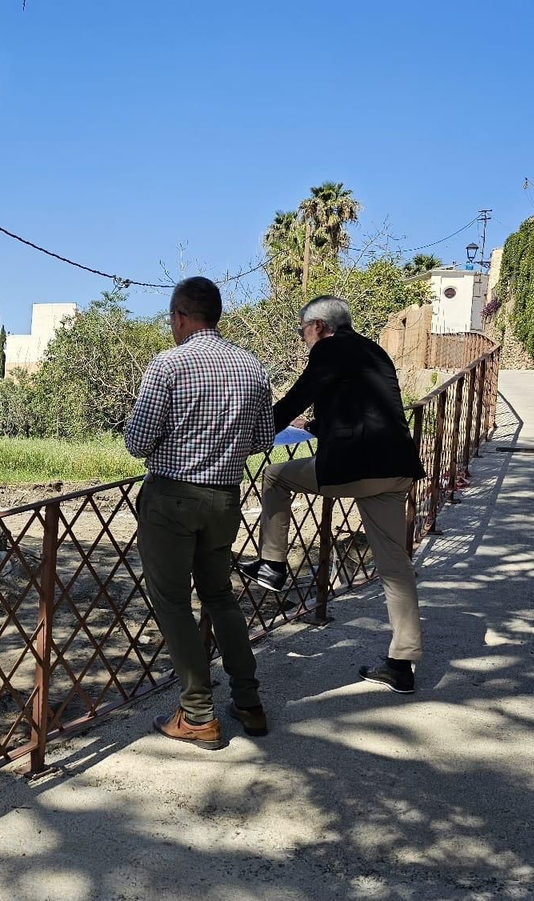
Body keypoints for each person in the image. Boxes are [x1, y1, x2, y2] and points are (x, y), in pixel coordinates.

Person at [237, 296, 427, 694]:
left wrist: (249, 438)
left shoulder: (329, 349)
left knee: (274, 476)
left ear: (319, 326)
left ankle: (272, 564)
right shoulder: (374, 351)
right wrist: (315, 425)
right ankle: (402, 664)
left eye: (302, 330)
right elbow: (362, 410)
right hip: (397, 468)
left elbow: (294, 399)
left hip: (355, 468)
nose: (303, 338)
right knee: (395, 566)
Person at [124, 276, 275, 750]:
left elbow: (137, 442)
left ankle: (198, 715)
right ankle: (248, 701)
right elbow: (262, 439)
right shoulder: (252, 367)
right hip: (224, 499)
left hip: (171, 499)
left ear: (180, 316)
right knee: (220, 596)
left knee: (172, 603)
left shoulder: (168, 364)